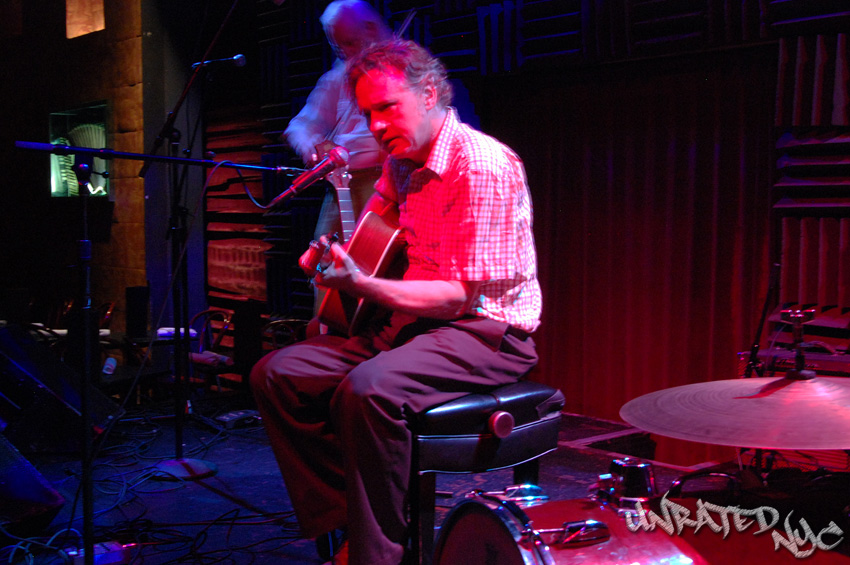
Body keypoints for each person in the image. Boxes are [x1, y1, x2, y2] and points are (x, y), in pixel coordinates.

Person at [251, 39, 542, 565]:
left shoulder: (481, 166)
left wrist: (361, 285)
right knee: (277, 374)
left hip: (487, 332)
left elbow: (460, 296)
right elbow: (378, 229)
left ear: (429, 93)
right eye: (368, 113)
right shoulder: (401, 160)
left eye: (387, 107)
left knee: (367, 391)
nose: (378, 125)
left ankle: (379, 554)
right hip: (417, 320)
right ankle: (353, 521)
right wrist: (333, 254)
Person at [284, 0, 392, 240]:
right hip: (341, 184)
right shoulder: (337, 78)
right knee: (322, 266)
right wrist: (313, 146)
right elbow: (299, 126)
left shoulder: (403, 70)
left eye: (351, 43)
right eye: (339, 47)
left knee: (379, 264)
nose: (347, 54)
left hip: (385, 183)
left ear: (371, 29)